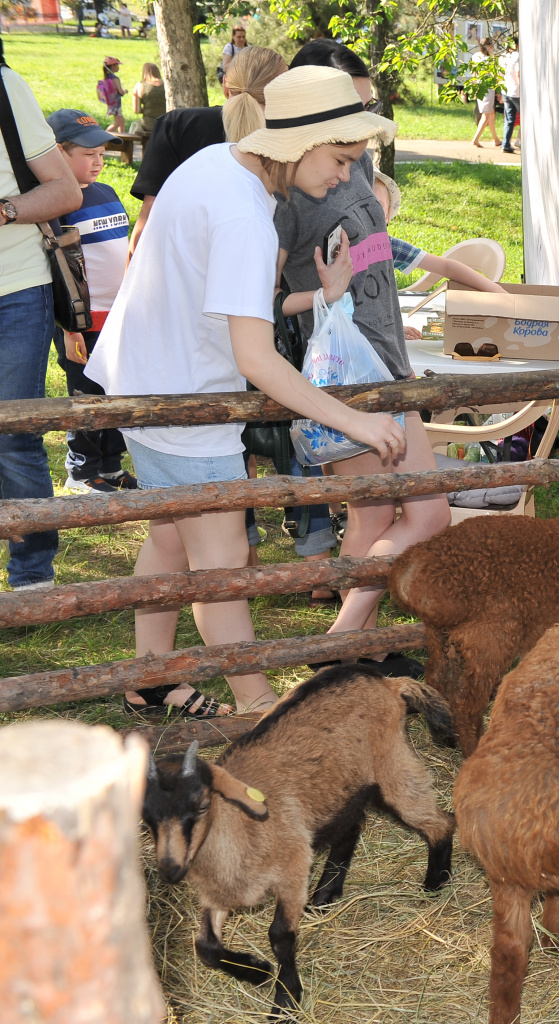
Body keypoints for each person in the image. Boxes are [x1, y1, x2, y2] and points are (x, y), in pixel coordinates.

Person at [85, 65, 404, 719]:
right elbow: (255, 357)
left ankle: (150, 678)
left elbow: (236, 309)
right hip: (178, 398)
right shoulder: (243, 215)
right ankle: (259, 711)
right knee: (222, 561)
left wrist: (322, 295)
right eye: (341, 158)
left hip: (151, 380)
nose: (345, 175)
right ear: (301, 141)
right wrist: (358, 422)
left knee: (174, 538)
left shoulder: (218, 166)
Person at [277, 39, 451, 676]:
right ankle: (339, 645)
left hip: (386, 359)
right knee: (429, 513)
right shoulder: (290, 184)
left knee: (375, 512)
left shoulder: (352, 160)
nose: (365, 118)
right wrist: (323, 293)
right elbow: (262, 299)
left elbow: (377, 254)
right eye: (356, 102)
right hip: (345, 370)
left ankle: (361, 648)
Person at [0, 45, 85, 592]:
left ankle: (32, 575)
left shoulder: (5, 87)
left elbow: (65, 188)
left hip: (14, 289)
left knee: (12, 432)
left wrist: (4, 210)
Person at [126, 46, 286, 257]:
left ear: (225, 86)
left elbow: (147, 225)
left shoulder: (177, 125)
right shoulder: (294, 142)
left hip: (181, 272)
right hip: (259, 271)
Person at [48, 109, 135, 494]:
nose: (99, 162)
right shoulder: (55, 204)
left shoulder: (108, 192)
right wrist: (69, 329)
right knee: (86, 397)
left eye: (102, 153)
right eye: (88, 155)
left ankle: (112, 465)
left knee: (115, 393)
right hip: (81, 323)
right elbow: (58, 271)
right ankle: (81, 469)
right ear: (57, 153)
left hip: (116, 318)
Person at [370, 169, 505, 314]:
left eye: (376, 206)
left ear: (387, 215)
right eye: (356, 207)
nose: (366, 213)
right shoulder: (341, 250)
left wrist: (498, 292)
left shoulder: (389, 247)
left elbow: (446, 267)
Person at [469, 38, 498, 148]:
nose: (493, 48)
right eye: (491, 46)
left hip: (480, 87)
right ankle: (475, 139)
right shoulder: (489, 59)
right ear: (487, 46)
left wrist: (475, 87)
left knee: (491, 113)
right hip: (488, 88)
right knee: (486, 114)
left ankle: (496, 139)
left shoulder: (475, 56)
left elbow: (474, 74)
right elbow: (494, 75)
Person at [129, 61, 164, 138]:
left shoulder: (140, 86)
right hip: (165, 124)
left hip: (149, 125)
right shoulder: (166, 85)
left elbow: (136, 110)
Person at [498, 44, 520, 153]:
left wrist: (500, 92)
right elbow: (518, 73)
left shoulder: (502, 57)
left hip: (506, 90)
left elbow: (499, 75)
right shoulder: (517, 56)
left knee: (509, 119)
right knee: (526, 118)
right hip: (517, 92)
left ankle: (505, 144)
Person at [97, 56, 126, 133]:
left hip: (112, 104)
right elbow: (121, 92)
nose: (118, 67)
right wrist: (125, 91)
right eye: (117, 65)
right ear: (113, 66)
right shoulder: (115, 79)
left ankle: (123, 140)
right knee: (117, 124)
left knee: (122, 122)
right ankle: (103, 137)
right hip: (116, 104)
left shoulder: (107, 79)